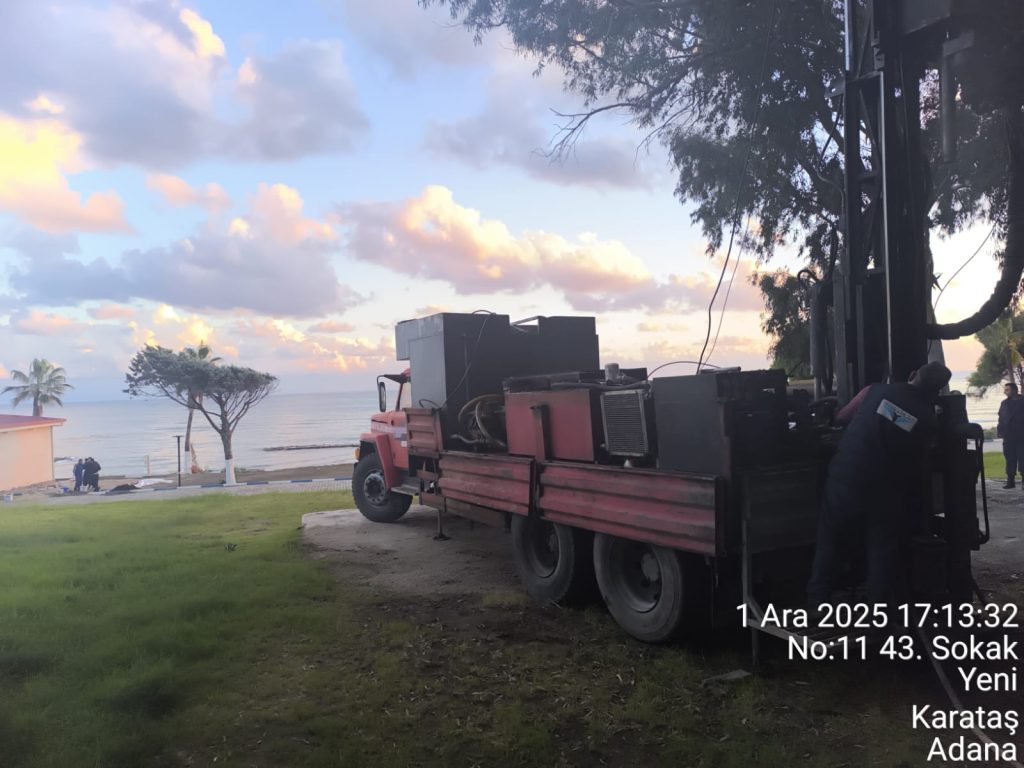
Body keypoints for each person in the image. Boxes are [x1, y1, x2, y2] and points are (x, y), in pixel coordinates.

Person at [807, 361, 952, 609]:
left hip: (847, 477)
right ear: (937, 390)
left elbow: (841, 417)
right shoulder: (928, 420)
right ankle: (879, 614)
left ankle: (816, 603)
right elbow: (920, 453)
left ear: (912, 374)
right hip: (886, 488)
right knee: (881, 551)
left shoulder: (873, 391)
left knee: (831, 540)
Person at [997, 381, 1024, 488]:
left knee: (1022, 458)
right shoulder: (1004, 403)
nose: (1005, 392)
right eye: (1005, 390)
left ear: (1014, 390)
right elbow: (1001, 418)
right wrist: (1000, 431)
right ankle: (1010, 481)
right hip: (1008, 436)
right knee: (1009, 458)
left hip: (1021, 435)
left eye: (1007, 390)